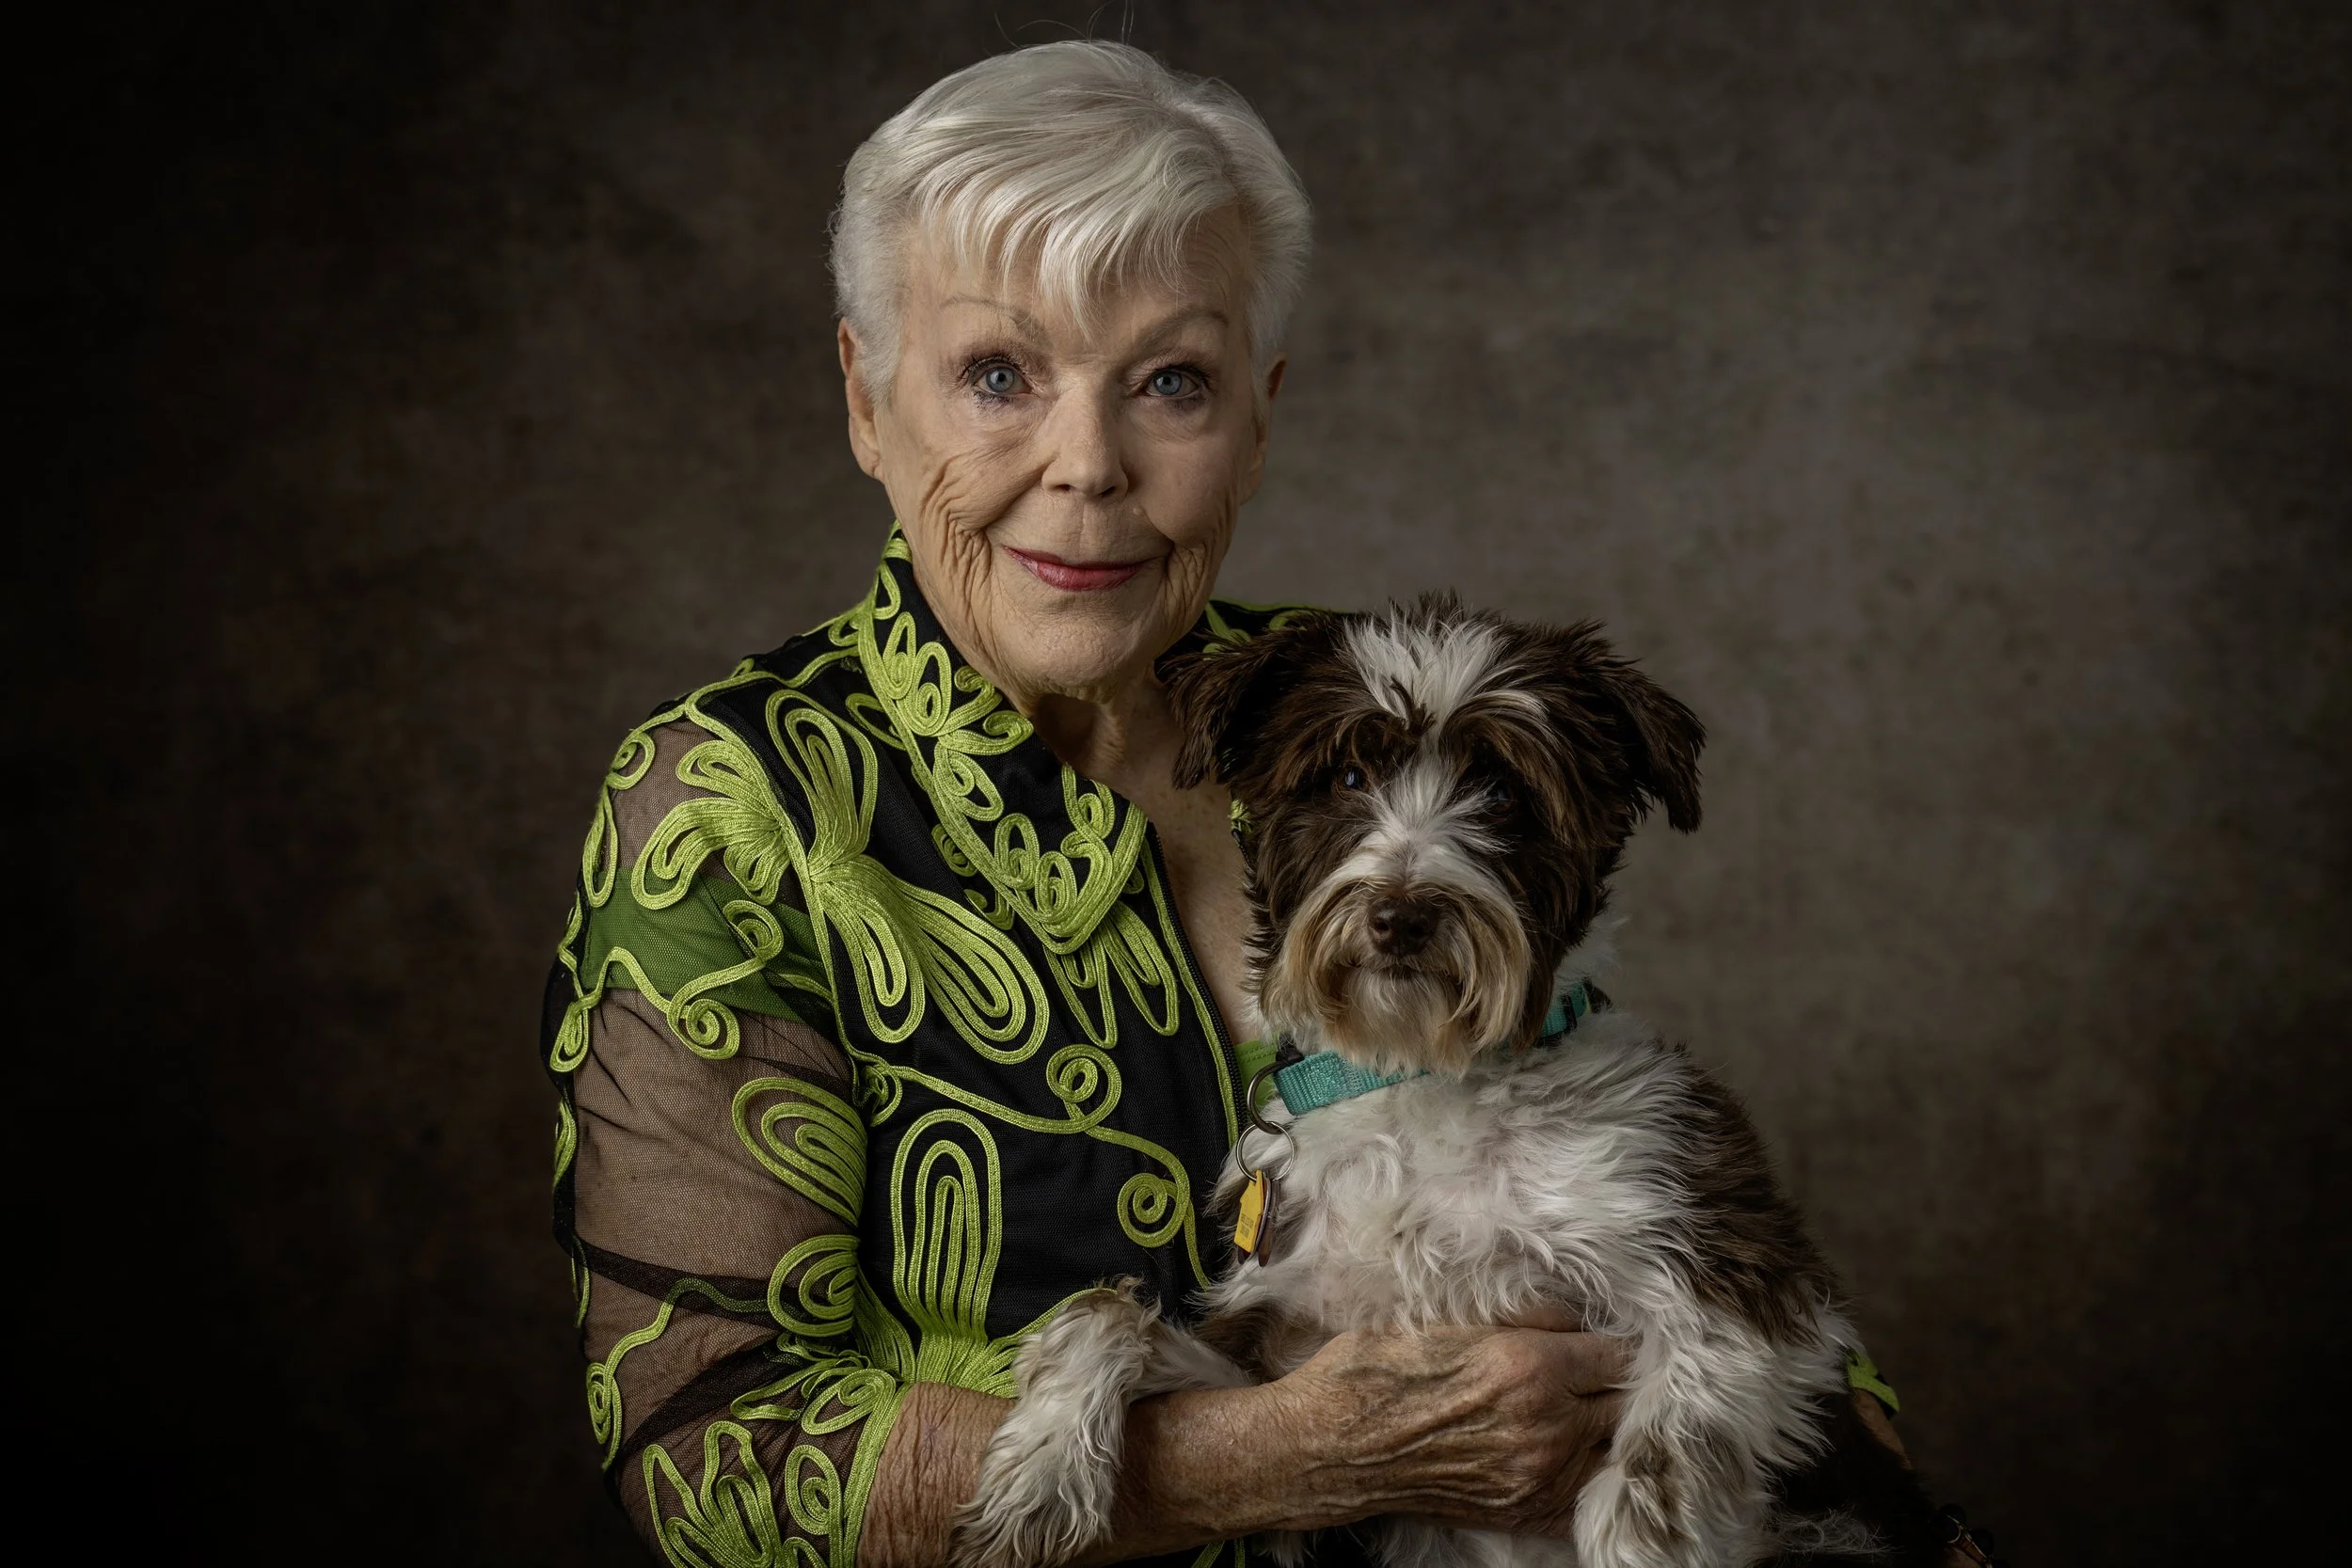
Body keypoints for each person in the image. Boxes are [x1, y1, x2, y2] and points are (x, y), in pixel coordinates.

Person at [543, 40, 1933, 1568]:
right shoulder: (736, 804)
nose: (1088, 465)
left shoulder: (1351, 708)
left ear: (1257, 419)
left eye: (1170, 381)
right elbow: (709, 1462)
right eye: (996, 374)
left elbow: (1731, 1285)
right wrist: (1287, 1455)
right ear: (869, 402)